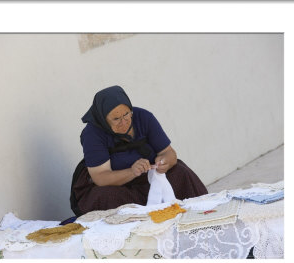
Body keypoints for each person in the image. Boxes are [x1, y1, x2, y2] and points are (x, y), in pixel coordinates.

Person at [70, 85, 208, 217]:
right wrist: (132, 172)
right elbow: (100, 177)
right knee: (107, 196)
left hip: (149, 178)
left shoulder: (143, 117)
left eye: (126, 114)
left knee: (180, 173)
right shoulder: (93, 133)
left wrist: (164, 161)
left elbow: (169, 153)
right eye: (116, 119)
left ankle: (202, 215)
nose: (124, 122)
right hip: (118, 184)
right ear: (103, 119)